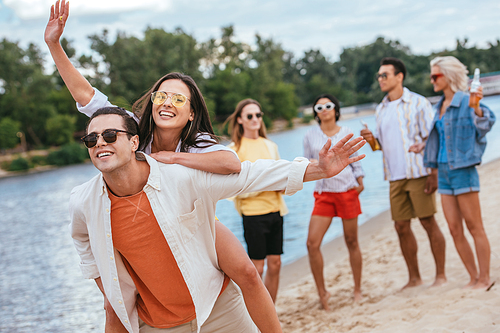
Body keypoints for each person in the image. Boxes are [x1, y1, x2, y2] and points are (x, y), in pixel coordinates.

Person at [44, 1, 278, 332]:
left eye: (179, 99)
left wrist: (174, 157)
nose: (168, 103)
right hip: (139, 221)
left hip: (191, 219)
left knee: (247, 272)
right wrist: (54, 44)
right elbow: (87, 97)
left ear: (192, 112)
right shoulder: (132, 128)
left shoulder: (196, 143)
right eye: (161, 96)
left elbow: (230, 163)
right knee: (116, 305)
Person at [71, 106, 365, 332]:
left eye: (110, 135)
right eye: (91, 138)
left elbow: (248, 176)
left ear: (135, 142)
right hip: (156, 325)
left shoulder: (179, 177)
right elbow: (83, 241)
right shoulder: (83, 202)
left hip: (217, 308)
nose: (100, 142)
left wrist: (317, 170)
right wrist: (107, 286)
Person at [360, 57, 447, 289]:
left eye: (384, 75)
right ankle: (414, 278)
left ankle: (440, 276)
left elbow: (433, 137)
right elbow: (380, 146)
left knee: (428, 222)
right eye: (379, 75)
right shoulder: (380, 109)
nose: (380, 79)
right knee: (401, 227)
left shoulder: (418, 103)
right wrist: (371, 141)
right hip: (395, 177)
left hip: (419, 172)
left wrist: (433, 172)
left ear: (399, 77)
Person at [421, 56, 495, 289]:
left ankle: (485, 278)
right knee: (454, 229)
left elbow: (486, 123)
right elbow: (440, 139)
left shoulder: (467, 100)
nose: (432, 80)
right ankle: (473, 277)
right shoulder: (438, 107)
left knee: (475, 227)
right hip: (443, 172)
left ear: (449, 76)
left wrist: (478, 108)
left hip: (463, 170)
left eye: (435, 75)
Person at [303, 94, 364, 308]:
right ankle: (323, 293)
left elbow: (355, 161)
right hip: (324, 194)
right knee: (312, 244)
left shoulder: (347, 133)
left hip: (347, 190)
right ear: (316, 112)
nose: (324, 110)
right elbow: (305, 164)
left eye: (328, 106)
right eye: (319, 107)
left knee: (352, 241)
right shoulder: (310, 136)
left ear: (336, 109)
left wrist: (360, 179)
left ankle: (357, 290)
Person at [225, 99, 287, 303]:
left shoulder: (271, 145)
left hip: (276, 211)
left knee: (276, 264)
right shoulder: (234, 149)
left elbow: (282, 180)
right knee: (257, 268)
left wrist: (282, 184)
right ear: (240, 120)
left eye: (258, 115)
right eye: (250, 116)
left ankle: (271, 310)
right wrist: (267, 184)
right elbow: (233, 189)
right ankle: (253, 315)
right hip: (253, 215)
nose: (255, 119)